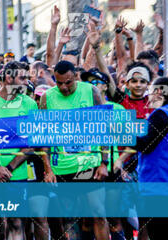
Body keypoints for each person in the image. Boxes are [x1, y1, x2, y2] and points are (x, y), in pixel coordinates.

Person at [0, 61, 48, 240]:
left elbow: (32, 141)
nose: (26, 82)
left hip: (18, 174)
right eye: (22, 78)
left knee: (15, 220)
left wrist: (9, 169)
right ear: (8, 78)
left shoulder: (29, 103)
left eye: (27, 78)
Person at [39, 60, 110, 240]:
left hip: (89, 165)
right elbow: (42, 136)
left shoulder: (90, 91)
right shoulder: (47, 97)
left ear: (75, 76)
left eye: (68, 82)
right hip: (62, 167)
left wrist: (104, 162)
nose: (63, 87)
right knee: (69, 219)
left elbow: (104, 128)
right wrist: (48, 169)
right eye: (59, 82)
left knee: (98, 213)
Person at [133, 77, 168, 239]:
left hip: (157, 182)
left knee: (158, 233)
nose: (147, 96)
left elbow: (146, 145)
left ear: (159, 92)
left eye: (150, 91)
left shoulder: (160, 115)